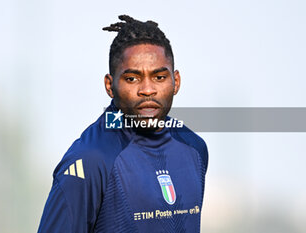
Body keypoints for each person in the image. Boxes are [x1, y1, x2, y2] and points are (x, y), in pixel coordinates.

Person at [37, 15, 208, 233]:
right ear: (110, 85)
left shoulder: (194, 149)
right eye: (132, 79)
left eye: (159, 77)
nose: (147, 90)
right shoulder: (90, 160)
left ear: (176, 82)